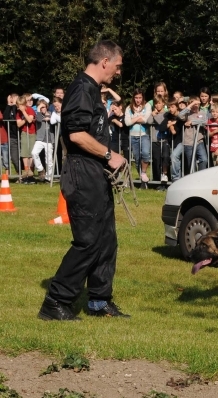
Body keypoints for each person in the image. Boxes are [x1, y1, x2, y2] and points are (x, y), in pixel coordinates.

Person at [38, 39, 128, 321]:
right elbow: (75, 134)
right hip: (82, 173)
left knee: (106, 239)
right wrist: (109, 154)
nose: (118, 71)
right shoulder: (81, 89)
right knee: (88, 240)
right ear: (105, 62)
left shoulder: (92, 90)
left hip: (95, 173)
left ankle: (99, 302)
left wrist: (107, 158)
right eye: (117, 66)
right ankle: (56, 301)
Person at [125, 88, 152, 182]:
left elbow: (146, 119)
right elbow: (127, 123)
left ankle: (144, 172)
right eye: (136, 97)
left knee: (145, 153)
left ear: (143, 97)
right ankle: (141, 177)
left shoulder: (147, 106)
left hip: (144, 134)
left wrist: (134, 119)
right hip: (133, 135)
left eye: (140, 97)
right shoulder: (129, 108)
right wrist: (138, 118)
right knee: (137, 158)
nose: (138, 100)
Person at [182, 96, 208, 173]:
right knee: (191, 164)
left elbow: (204, 122)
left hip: (199, 141)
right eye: (193, 103)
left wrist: (192, 122)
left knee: (204, 160)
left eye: (196, 103)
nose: (194, 105)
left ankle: (200, 177)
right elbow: (180, 115)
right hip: (188, 142)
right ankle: (192, 180)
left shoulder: (203, 113)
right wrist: (190, 105)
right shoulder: (187, 114)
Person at [16, 94, 37, 183]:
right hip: (24, 132)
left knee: (31, 152)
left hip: (32, 133)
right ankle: (26, 170)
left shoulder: (30, 109)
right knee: (24, 152)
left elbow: (30, 120)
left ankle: (31, 171)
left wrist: (24, 113)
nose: (20, 107)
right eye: (19, 106)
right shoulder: (18, 113)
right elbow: (19, 124)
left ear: (25, 104)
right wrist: (25, 118)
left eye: (21, 105)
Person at [31, 99, 53, 182]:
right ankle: (40, 169)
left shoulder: (51, 114)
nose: (42, 109)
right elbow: (39, 119)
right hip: (40, 139)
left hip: (49, 139)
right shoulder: (38, 115)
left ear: (47, 106)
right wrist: (39, 110)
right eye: (40, 107)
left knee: (49, 159)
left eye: (43, 107)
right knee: (34, 152)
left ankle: (48, 177)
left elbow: (53, 119)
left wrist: (48, 117)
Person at [149, 96, 170, 184]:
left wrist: (155, 116)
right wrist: (152, 114)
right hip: (155, 140)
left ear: (163, 104)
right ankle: (156, 180)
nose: (158, 105)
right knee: (156, 160)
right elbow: (149, 122)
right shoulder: (153, 113)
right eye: (156, 104)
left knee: (165, 157)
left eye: (159, 103)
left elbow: (162, 124)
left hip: (164, 140)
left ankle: (165, 176)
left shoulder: (166, 114)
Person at [108, 100, 130, 168]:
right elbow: (106, 121)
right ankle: (115, 175)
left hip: (125, 140)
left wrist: (114, 121)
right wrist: (110, 111)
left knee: (127, 159)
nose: (114, 111)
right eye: (113, 110)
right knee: (112, 157)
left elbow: (121, 125)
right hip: (115, 141)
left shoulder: (126, 116)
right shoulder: (112, 116)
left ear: (120, 107)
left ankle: (127, 174)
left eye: (115, 109)